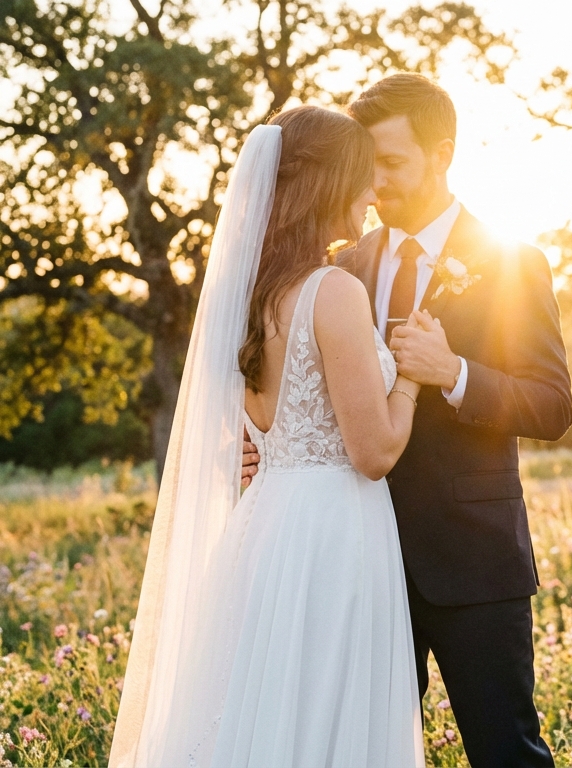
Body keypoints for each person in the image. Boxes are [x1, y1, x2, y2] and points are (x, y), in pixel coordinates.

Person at [244, 73, 572, 767]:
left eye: (391, 163)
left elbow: (552, 404)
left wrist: (453, 373)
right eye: (367, 167)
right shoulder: (342, 265)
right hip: (354, 558)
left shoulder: (513, 260)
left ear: (441, 153)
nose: (377, 183)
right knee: (361, 746)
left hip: (470, 560)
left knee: (505, 749)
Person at [110, 106, 425, 766]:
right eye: (363, 180)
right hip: (336, 530)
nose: (372, 195)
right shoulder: (332, 290)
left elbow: (255, 426)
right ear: (331, 184)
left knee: (266, 707)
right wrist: (414, 379)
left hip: (267, 522)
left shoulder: (246, 295)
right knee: (325, 714)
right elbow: (374, 453)